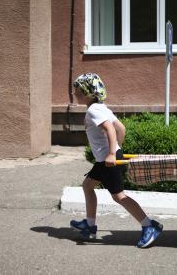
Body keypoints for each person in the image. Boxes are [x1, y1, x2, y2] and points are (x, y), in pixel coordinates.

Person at [70, 73, 163, 248]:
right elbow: (122, 128)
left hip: (107, 160)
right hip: (104, 160)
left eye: (78, 91)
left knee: (119, 196)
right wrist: (117, 149)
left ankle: (149, 225)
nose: (75, 94)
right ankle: (90, 225)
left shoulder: (93, 110)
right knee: (88, 185)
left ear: (88, 93)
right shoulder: (101, 107)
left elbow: (111, 130)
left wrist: (112, 153)